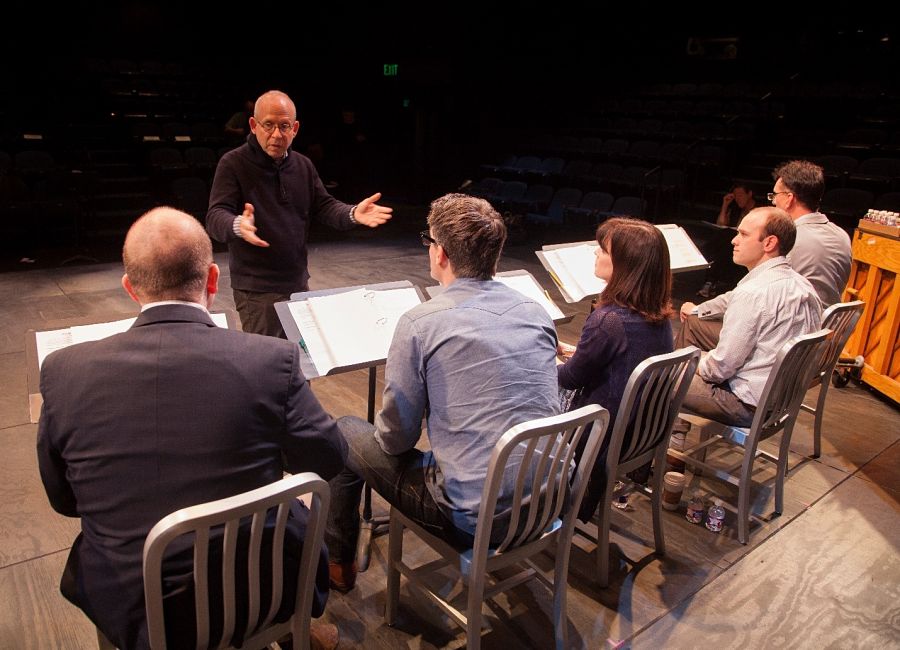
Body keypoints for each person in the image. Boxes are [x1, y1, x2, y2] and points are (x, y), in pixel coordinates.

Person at [36, 207, 348, 650]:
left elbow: (64, 499)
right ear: (214, 280)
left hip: (137, 609)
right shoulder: (268, 360)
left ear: (129, 288)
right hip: (260, 588)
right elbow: (329, 457)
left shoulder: (64, 371)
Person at [324, 193, 560, 591]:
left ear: (441, 254)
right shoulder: (535, 311)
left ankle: (337, 562)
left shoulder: (421, 322)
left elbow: (396, 440)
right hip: (549, 497)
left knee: (345, 430)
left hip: (473, 517)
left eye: (429, 241)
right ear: (496, 255)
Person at [206, 90, 393, 338]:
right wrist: (238, 225)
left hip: (296, 282)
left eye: (284, 126)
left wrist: (352, 213)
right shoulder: (233, 164)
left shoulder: (303, 165)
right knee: (269, 365)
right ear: (253, 125)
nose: (276, 134)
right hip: (257, 290)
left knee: (301, 361)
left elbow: (324, 206)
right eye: (269, 125)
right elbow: (215, 216)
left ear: (294, 128)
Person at [556, 217, 675, 520]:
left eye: (602, 250)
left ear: (626, 264)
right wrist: (574, 352)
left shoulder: (609, 320)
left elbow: (570, 379)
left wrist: (539, 359)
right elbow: (621, 358)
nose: (595, 254)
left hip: (597, 435)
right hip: (636, 433)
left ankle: (529, 499)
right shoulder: (657, 315)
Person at [679, 207, 822, 427]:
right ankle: (673, 434)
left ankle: (654, 446)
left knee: (657, 378)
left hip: (748, 405)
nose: (734, 241)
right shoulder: (803, 285)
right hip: (782, 400)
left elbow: (719, 369)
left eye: (744, 235)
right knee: (692, 333)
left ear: (769, 243)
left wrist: (693, 359)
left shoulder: (753, 294)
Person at [770, 159, 852, 306]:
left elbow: (762, 294)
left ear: (789, 199)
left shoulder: (790, 239)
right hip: (828, 326)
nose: (773, 201)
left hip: (794, 325)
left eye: (775, 195)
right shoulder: (842, 236)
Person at [698, 183, 758, 298]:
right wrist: (725, 205)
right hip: (731, 241)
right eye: (735, 195)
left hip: (749, 243)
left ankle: (709, 277)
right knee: (724, 236)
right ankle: (710, 281)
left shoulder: (759, 210)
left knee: (725, 240)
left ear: (749, 194)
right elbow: (721, 224)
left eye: (740, 195)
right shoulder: (735, 209)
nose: (737, 198)